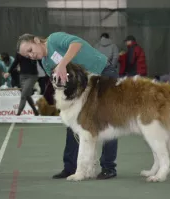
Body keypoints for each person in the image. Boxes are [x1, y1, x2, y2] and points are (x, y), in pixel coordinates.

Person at [17, 32, 118, 180]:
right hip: (82, 86)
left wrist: (62, 64)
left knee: (107, 122)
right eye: (27, 56)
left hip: (103, 72)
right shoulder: (45, 63)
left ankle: (108, 167)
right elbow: (58, 81)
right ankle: (70, 167)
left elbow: (77, 44)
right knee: (73, 124)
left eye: (30, 50)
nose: (31, 56)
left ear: (37, 40)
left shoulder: (54, 39)